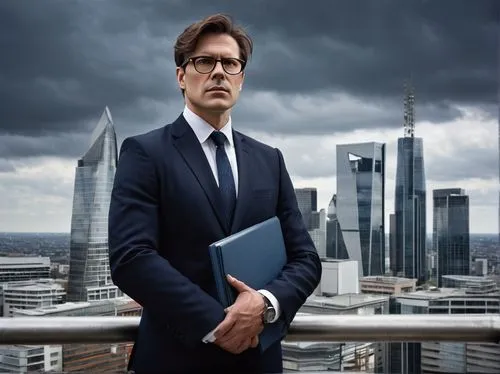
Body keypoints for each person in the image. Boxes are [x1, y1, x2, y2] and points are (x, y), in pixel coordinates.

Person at [108, 13, 322, 374]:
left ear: (242, 78)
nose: (219, 72)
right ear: (181, 76)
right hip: (174, 360)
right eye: (205, 61)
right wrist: (221, 325)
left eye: (231, 63)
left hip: (258, 360)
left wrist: (264, 305)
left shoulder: (269, 159)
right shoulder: (145, 152)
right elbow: (131, 258)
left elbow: (305, 259)